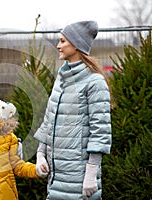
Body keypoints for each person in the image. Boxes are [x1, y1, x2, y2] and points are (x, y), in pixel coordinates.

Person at [34, 21, 112, 200]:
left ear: (76, 45)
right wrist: (41, 153)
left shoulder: (95, 82)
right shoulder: (61, 78)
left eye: (62, 41)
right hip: (56, 177)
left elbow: (100, 131)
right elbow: (49, 119)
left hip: (80, 178)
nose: (58, 46)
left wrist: (91, 174)